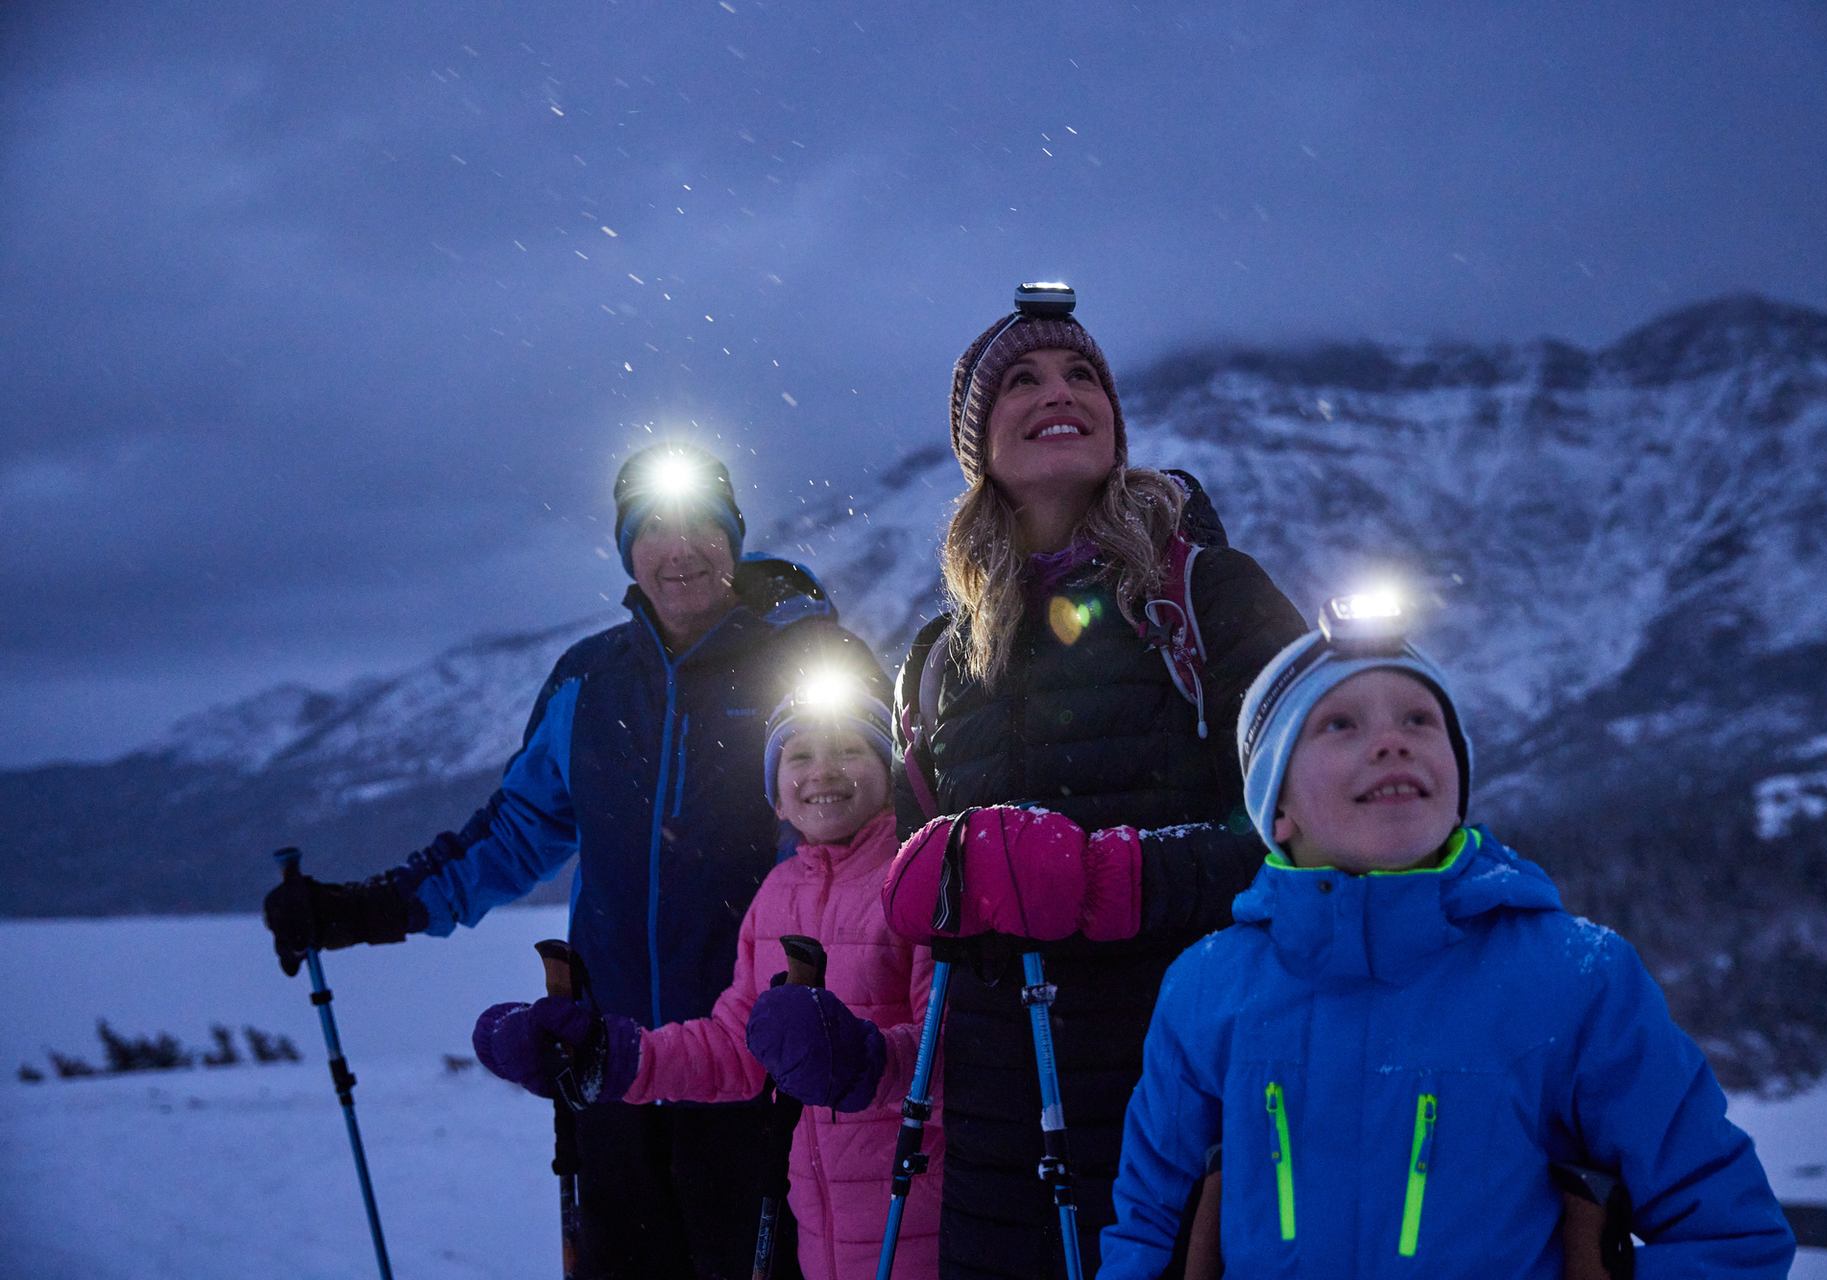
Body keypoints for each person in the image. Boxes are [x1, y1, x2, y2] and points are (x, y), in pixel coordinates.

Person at [263, 443, 877, 1280]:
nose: (680, 546)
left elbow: (865, 843)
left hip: (763, 1074)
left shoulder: (807, 665)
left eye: (702, 523)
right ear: (628, 548)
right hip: (613, 1069)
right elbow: (513, 834)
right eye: (654, 526)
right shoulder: (588, 683)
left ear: (734, 538)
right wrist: (365, 909)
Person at [1098, 595, 1796, 1277]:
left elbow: (1729, 1233)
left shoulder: (1575, 978)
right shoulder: (1207, 988)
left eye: (1420, 720)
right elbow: (1150, 1229)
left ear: (1458, 779)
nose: (1392, 740)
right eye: (1340, 724)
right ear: (1276, 808)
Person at [877, 284, 1309, 1278]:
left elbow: (1314, 834)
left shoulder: (1209, 596)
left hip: (1193, 1101)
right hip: (996, 1127)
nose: (1057, 390)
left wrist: (1112, 878)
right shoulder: (939, 660)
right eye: (1019, 379)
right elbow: (922, 891)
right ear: (978, 444)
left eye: (1083, 374)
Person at [470, 677, 942, 1280]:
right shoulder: (777, 895)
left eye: (849, 749)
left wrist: (865, 1062)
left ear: (890, 770)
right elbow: (736, 1048)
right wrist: (612, 1057)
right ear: (775, 797)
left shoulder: (918, 880)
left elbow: (955, 1051)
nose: (823, 770)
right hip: (820, 1228)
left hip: (923, 1210)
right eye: (799, 756)